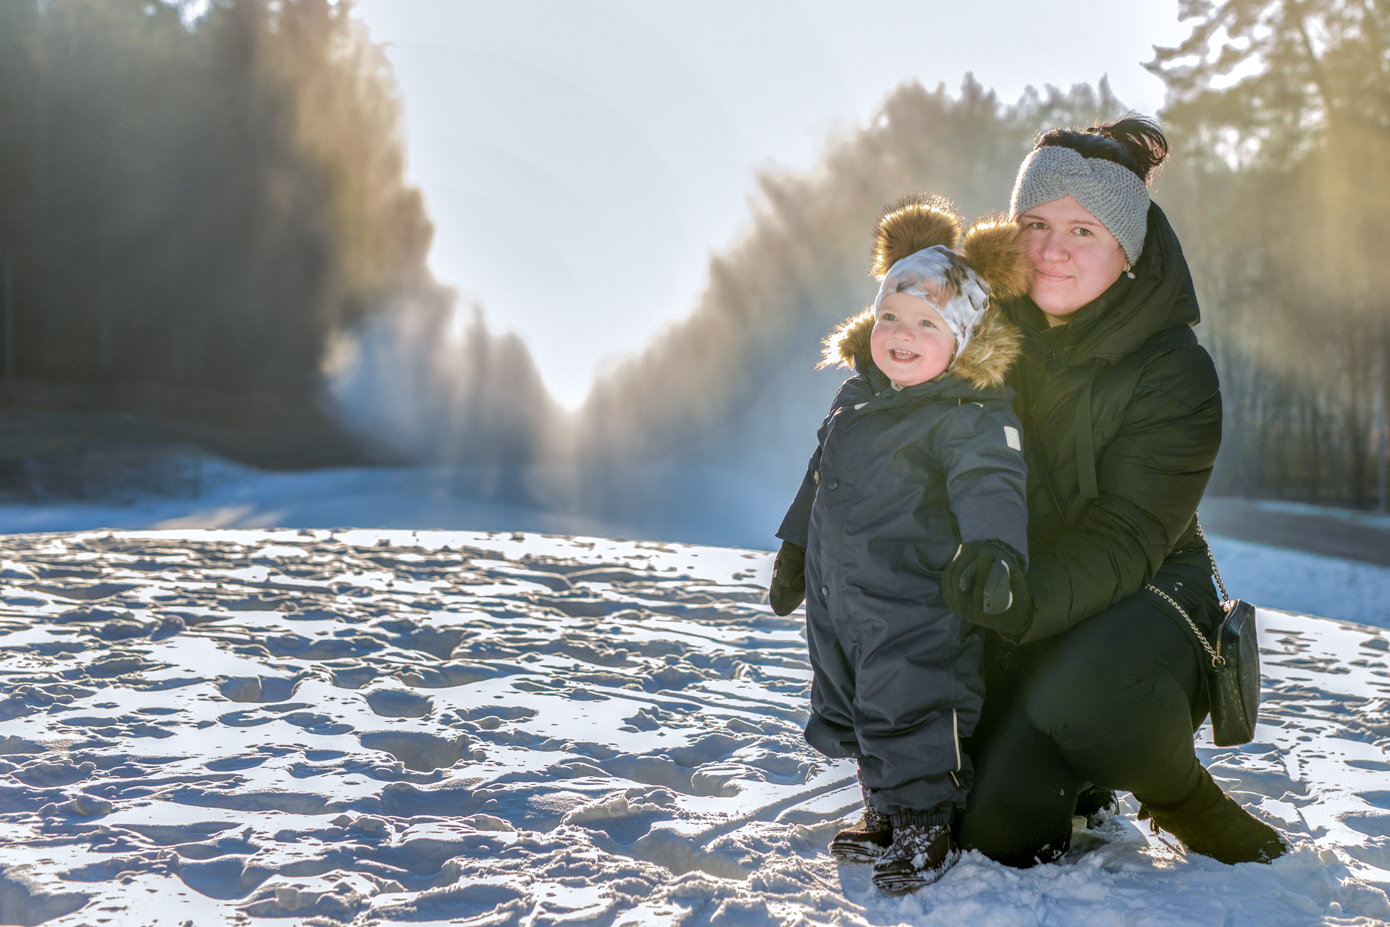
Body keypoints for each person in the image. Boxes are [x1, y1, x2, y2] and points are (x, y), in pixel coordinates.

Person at [944, 116, 1287, 866]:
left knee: (1085, 689)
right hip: (1023, 601)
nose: (1051, 249)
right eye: (1034, 223)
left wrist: (1014, 604)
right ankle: (1085, 768)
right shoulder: (983, 332)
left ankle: (1181, 796)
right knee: (992, 831)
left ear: (1127, 249)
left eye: (1083, 230)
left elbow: (1126, 535)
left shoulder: (1177, 372)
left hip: (1151, 599)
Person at [768, 196, 1033, 891]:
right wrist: (795, 550)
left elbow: (992, 484)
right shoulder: (855, 399)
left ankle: (926, 826)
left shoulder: (968, 413)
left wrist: (994, 551)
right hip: (841, 597)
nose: (901, 334)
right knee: (856, 701)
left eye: (926, 322)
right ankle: (885, 810)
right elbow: (817, 477)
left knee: (912, 702)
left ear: (963, 338)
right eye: (890, 317)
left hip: (917, 601)